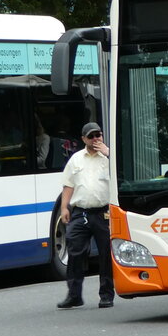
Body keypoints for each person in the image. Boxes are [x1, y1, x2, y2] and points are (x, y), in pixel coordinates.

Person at [57, 123, 114, 309]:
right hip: (80, 212)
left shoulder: (110, 157)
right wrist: (64, 207)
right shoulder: (76, 159)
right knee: (74, 251)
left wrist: (109, 153)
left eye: (98, 135)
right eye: (91, 136)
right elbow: (68, 185)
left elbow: (123, 172)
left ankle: (106, 294)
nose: (96, 139)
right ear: (83, 139)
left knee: (106, 254)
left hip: (103, 212)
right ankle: (74, 295)